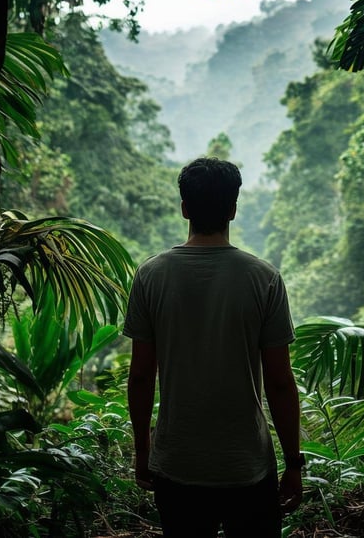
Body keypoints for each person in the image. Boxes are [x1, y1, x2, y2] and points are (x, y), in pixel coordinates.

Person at [123, 157, 303, 538]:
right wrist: (293, 463)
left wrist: (142, 451)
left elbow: (140, 376)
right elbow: (281, 383)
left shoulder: (150, 275)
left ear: (185, 207)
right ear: (233, 209)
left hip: (177, 464)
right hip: (248, 467)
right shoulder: (264, 279)